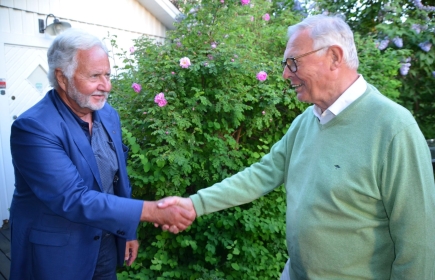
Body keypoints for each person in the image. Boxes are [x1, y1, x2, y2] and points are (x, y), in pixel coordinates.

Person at [159, 14, 435, 279]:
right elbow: (260, 175)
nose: (284, 74)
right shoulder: (307, 121)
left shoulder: (393, 128)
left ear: (334, 57)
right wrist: (195, 204)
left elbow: (418, 242)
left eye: (293, 62)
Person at [9, 29, 195, 280]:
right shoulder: (33, 128)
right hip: (58, 255)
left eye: (107, 75)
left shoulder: (108, 114)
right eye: (95, 76)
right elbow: (74, 198)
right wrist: (152, 211)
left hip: (104, 242)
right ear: (62, 78)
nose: (106, 86)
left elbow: (117, 180)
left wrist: (127, 231)